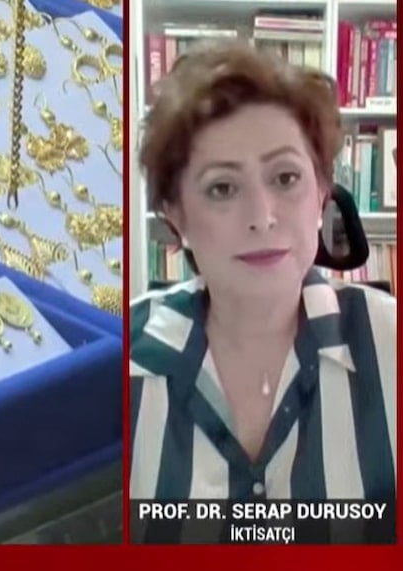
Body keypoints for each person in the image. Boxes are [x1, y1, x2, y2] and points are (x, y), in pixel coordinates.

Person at [129, 40, 396, 501]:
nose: (262, 216)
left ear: (321, 194)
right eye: (222, 188)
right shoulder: (122, 359)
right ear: (176, 217)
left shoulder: (391, 340)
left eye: (285, 178)